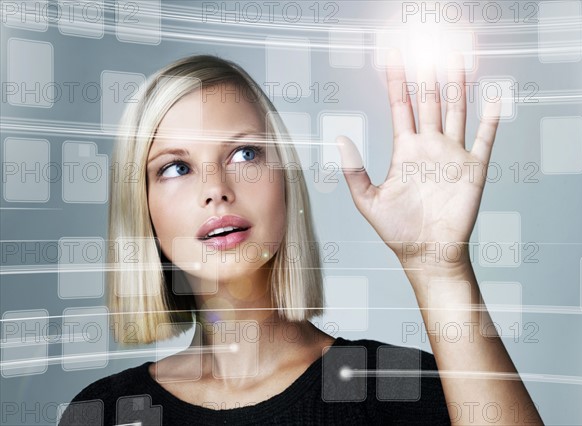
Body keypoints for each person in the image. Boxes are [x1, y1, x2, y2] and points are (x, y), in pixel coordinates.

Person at [58, 53, 543, 425]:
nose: (216, 189)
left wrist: (440, 272)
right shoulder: (105, 412)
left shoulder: (399, 386)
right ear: (142, 208)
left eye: (245, 153)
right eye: (176, 167)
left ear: (286, 180)